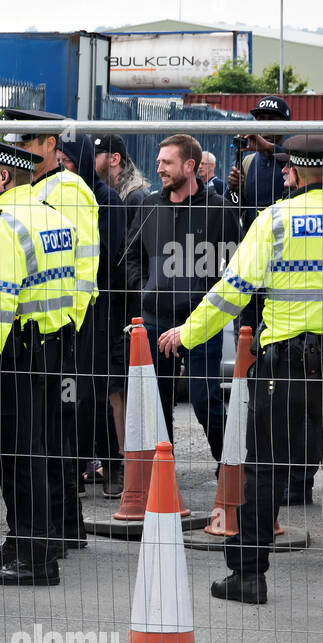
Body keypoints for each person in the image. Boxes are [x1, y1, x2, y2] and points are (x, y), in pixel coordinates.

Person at [159, 135, 323, 617]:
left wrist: (189, 333)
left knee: (264, 475)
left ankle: (249, 577)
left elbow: (231, 292)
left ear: (295, 172)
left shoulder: (274, 221)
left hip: (281, 372)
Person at [0, 139, 85, 585]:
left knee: (16, 453)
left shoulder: (0, 226)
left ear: (5, 177)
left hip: (19, 352)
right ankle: (34, 540)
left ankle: (33, 558)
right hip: (54, 345)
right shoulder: (51, 218)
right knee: (41, 448)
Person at [3, 108, 101, 553]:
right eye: (18, 145)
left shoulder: (67, 189)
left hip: (62, 332)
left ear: (50, 146)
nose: (21, 152)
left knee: (55, 433)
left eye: (29, 145)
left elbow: (84, 261)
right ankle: (62, 526)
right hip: (49, 331)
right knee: (49, 434)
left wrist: (70, 323)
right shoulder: (38, 188)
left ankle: (61, 527)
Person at [126, 133, 241, 464]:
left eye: (167, 162)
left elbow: (232, 265)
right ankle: (163, 479)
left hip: (200, 323)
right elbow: (132, 255)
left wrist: (207, 304)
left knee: (205, 401)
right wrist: (144, 289)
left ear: (190, 165)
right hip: (155, 322)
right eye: (159, 161)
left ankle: (230, 469)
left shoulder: (218, 209)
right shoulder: (149, 206)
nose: (159, 167)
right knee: (157, 407)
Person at [57, 135, 127, 499]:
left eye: (68, 162)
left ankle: (112, 464)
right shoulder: (57, 197)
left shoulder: (107, 199)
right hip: (69, 308)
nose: (62, 169)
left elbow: (106, 254)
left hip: (100, 309)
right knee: (73, 392)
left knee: (97, 390)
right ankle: (78, 464)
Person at [228, 95, 290, 229]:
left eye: (272, 120)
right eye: (261, 119)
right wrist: (233, 189)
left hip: (287, 240)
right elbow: (233, 209)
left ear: (286, 124)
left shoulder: (298, 160)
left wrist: (270, 148)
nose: (265, 125)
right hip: (255, 241)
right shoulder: (246, 163)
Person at [94, 134, 152, 206]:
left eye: (94, 156)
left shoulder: (136, 197)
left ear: (114, 159)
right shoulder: (100, 193)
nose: (88, 161)